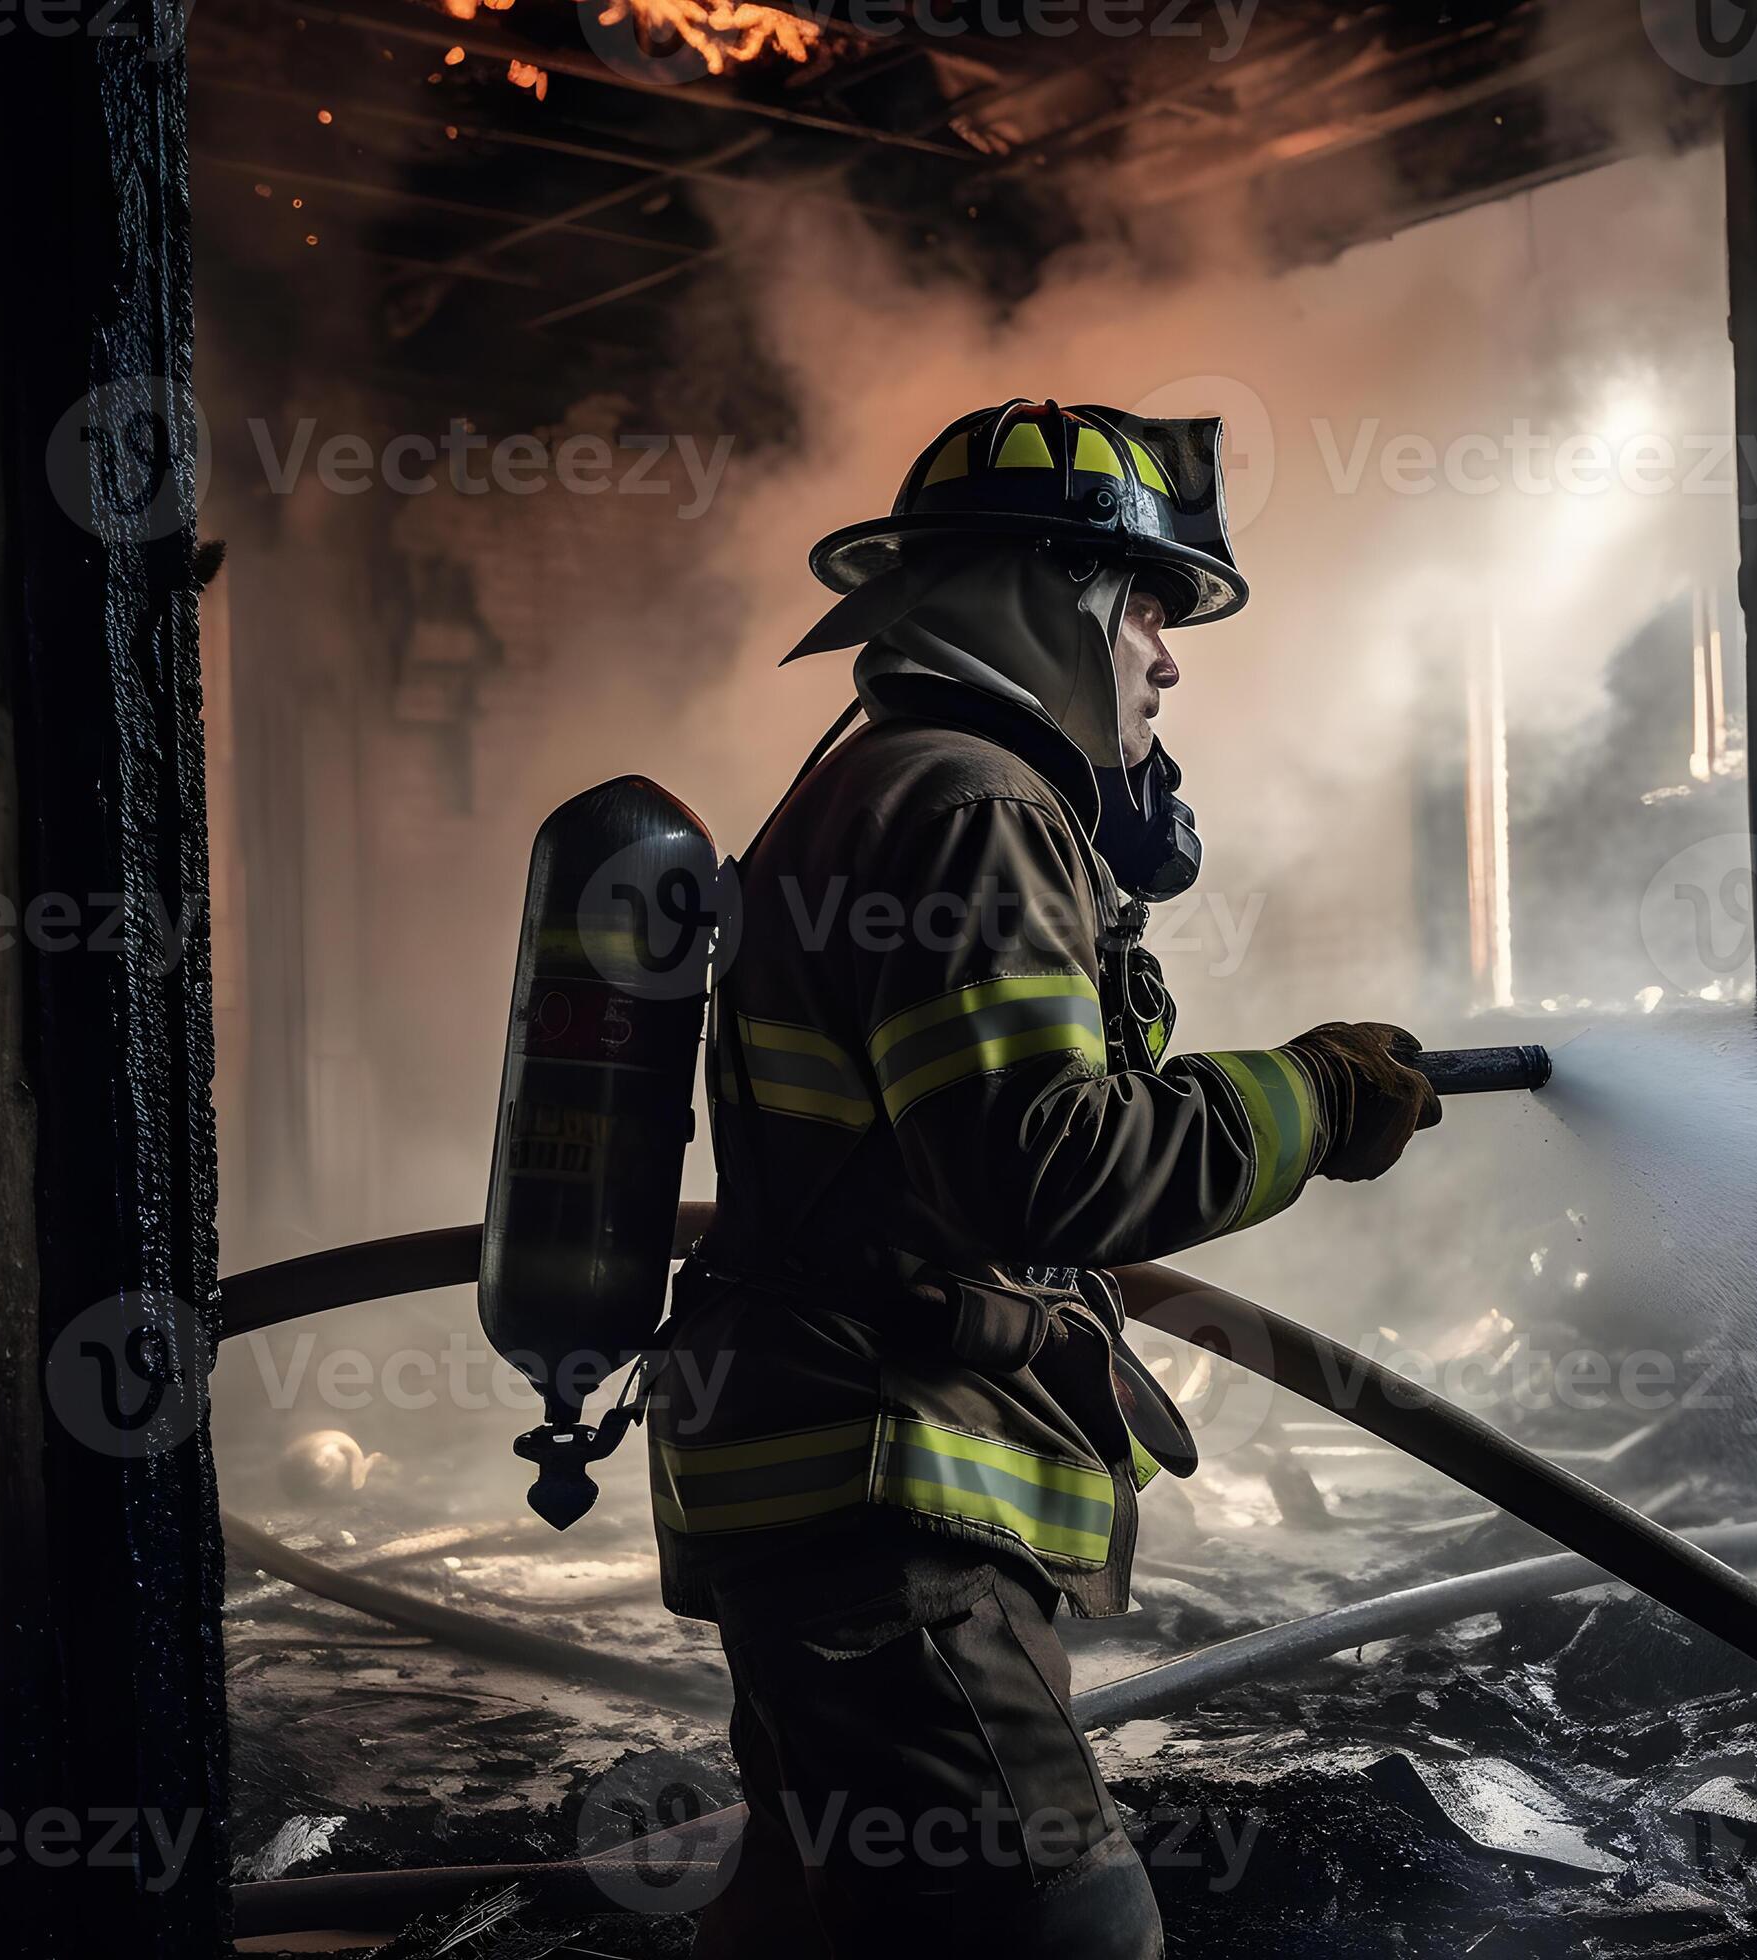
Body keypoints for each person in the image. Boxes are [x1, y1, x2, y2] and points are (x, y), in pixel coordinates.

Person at [648, 399, 1442, 1956]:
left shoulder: (877, 786)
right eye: (1146, 603)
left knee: (825, 1926)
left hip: (819, 1495)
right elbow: (1042, 1163)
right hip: (890, 1511)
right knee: (1059, 1925)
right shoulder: (976, 806)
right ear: (1045, 592)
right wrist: (1317, 1094)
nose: (1166, 656)